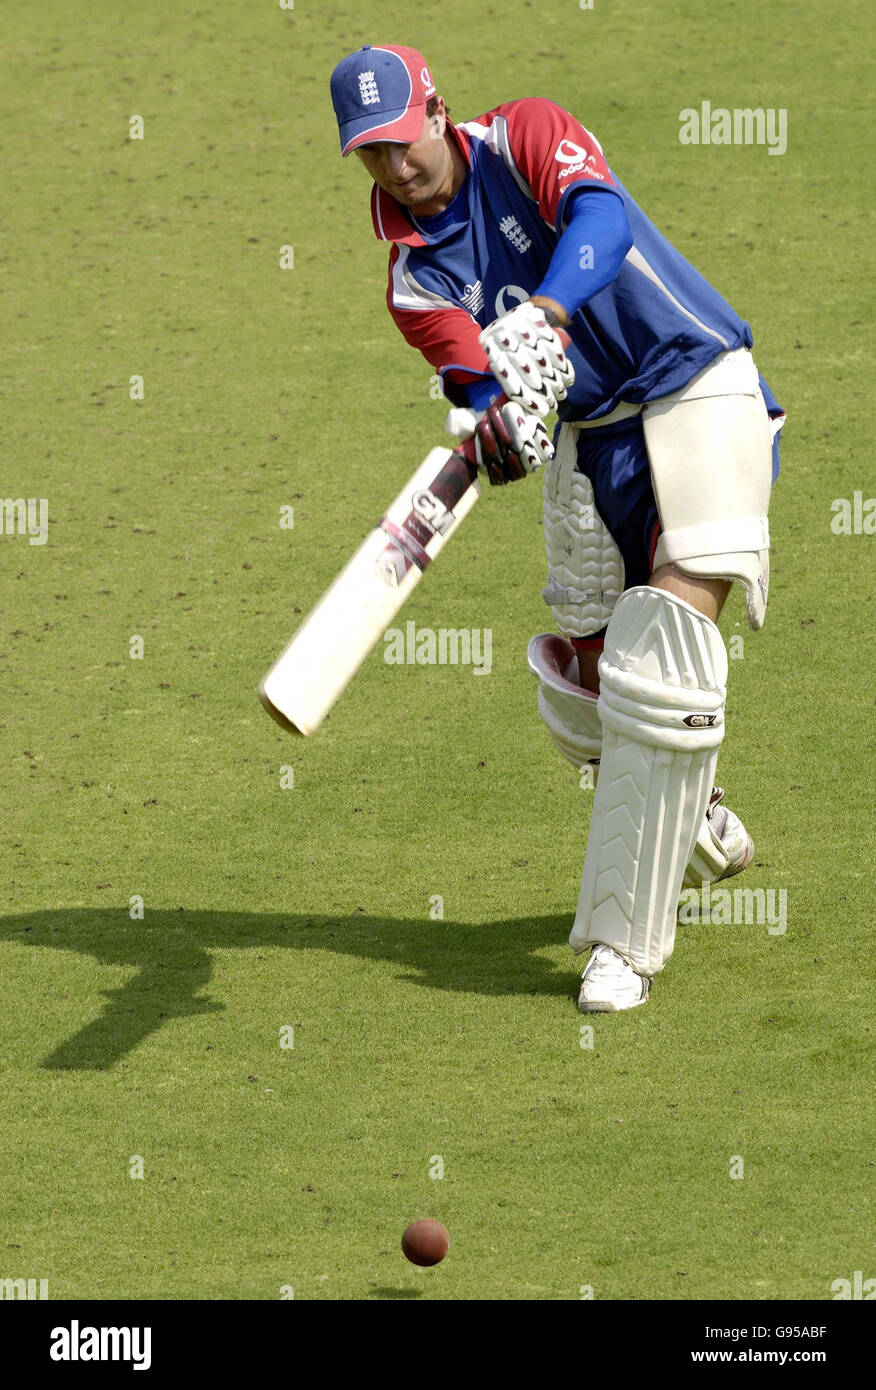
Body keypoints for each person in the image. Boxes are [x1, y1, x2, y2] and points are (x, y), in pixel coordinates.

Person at [329, 44, 786, 1011]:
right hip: (594, 443)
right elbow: (488, 388)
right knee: (584, 692)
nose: (395, 167)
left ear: (437, 111)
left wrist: (544, 312)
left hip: (696, 383)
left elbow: (602, 220)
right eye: (371, 154)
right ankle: (690, 804)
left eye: (403, 141)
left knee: (660, 650)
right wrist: (503, 423)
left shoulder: (526, 131)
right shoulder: (413, 283)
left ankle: (624, 946)